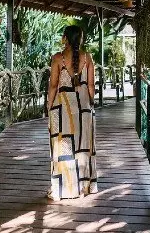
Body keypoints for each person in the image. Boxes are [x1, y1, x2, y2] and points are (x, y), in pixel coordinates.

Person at [46, 25, 98, 200]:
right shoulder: (88, 57)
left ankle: (63, 189)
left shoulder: (57, 58)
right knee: (83, 147)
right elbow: (91, 86)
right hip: (84, 108)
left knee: (62, 148)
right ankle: (84, 187)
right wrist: (90, 104)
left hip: (63, 108)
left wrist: (49, 106)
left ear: (65, 39)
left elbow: (53, 85)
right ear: (80, 39)